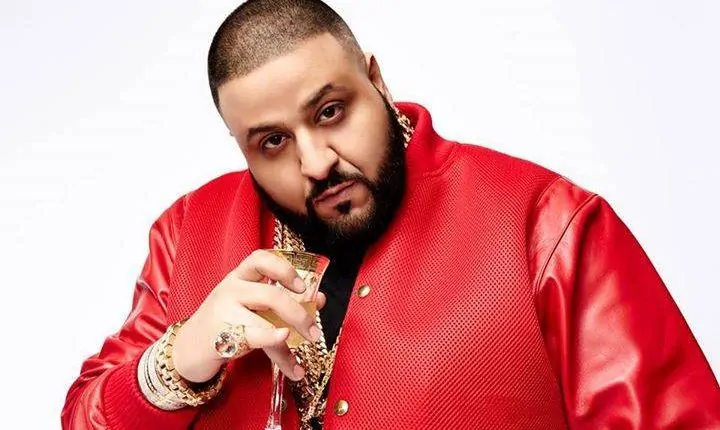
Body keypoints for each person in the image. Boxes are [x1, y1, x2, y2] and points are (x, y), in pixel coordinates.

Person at [62, 0, 720, 428]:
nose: (316, 161)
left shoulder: (543, 225)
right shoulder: (187, 234)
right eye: (273, 142)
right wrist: (183, 358)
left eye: (330, 112)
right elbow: (86, 416)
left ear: (377, 81)